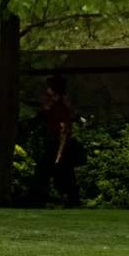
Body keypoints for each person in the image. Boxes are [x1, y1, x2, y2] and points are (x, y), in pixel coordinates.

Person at [39, 73, 84, 207]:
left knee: (54, 172)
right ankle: (71, 200)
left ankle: (70, 200)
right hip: (56, 142)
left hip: (58, 143)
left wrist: (59, 152)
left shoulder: (61, 105)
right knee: (63, 173)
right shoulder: (58, 104)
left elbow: (64, 128)